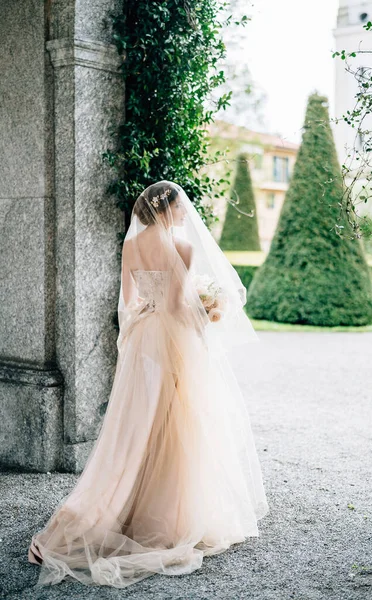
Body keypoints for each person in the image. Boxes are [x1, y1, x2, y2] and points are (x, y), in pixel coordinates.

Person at [27, 180, 269, 588]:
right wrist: (206, 311)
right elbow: (177, 305)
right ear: (166, 209)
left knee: (136, 420)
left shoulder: (131, 245)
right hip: (173, 338)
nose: (182, 214)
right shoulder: (183, 248)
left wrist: (151, 314)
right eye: (178, 208)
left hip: (143, 338)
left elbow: (130, 298)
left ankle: (123, 500)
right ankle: (169, 515)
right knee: (178, 419)